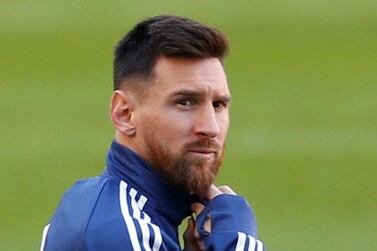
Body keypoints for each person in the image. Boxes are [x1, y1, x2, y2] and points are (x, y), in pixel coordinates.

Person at [40, 15, 264, 251]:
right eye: (185, 102)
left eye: (218, 105)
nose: (210, 128)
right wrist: (237, 243)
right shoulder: (121, 230)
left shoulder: (101, 204)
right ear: (124, 114)